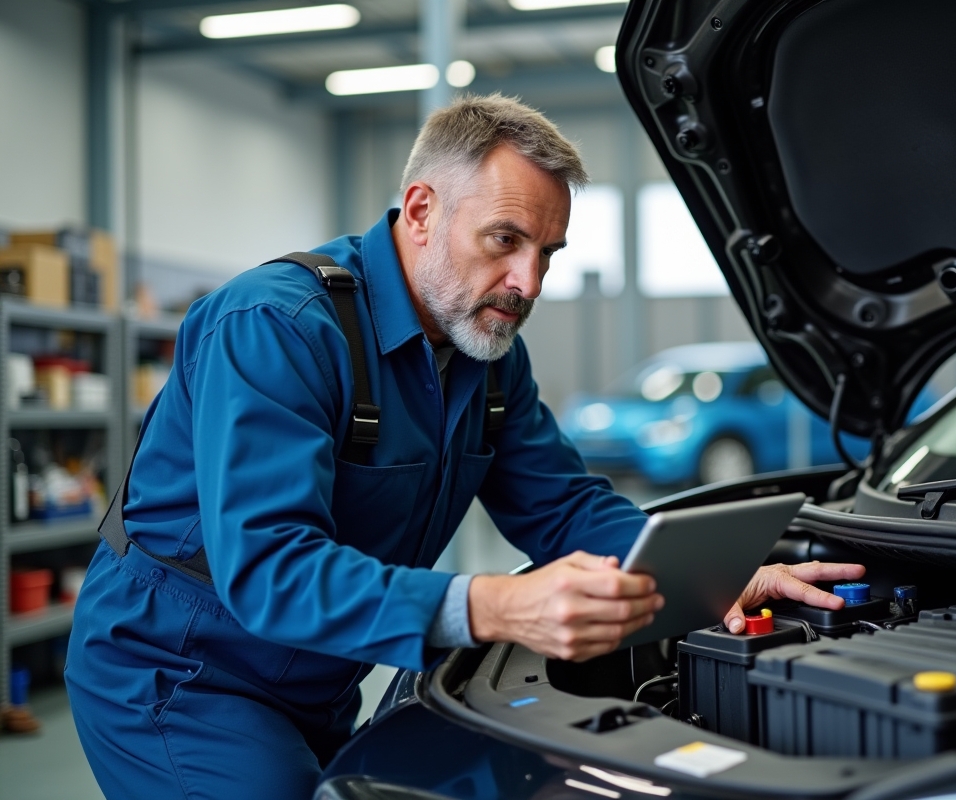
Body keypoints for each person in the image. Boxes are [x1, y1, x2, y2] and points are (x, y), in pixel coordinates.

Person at [65, 94, 865, 799]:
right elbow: (269, 567)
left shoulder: (485, 356)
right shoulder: (275, 328)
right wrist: (492, 605)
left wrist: (716, 575)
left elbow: (562, 507)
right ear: (419, 211)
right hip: (179, 672)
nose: (530, 283)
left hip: (319, 673)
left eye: (547, 253)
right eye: (505, 239)